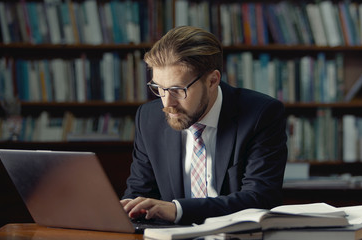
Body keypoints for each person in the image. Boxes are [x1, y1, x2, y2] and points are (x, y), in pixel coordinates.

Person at [120, 26, 288, 225]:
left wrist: (178, 210)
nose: (167, 103)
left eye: (177, 89)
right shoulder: (148, 118)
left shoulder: (261, 115)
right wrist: (129, 208)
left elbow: (259, 199)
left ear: (212, 80)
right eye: (159, 88)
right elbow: (140, 193)